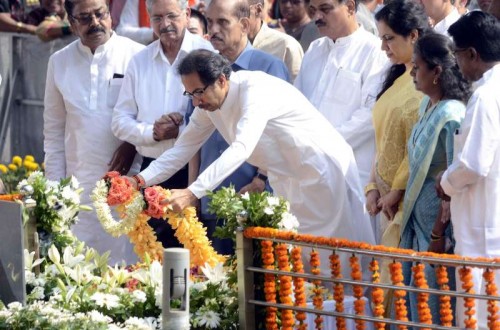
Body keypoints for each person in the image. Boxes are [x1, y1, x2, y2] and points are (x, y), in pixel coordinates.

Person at [130, 49, 375, 279]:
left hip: (322, 172)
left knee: (339, 261)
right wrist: (138, 181)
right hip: (287, 178)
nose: (195, 102)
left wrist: (194, 191)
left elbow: (241, 147)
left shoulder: (254, 89)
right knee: (301, 266)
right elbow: (183, 148)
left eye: (199, 92)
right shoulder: (208, 104)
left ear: (222, 81)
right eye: (189, 94)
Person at [44, 0, 145, 264]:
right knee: (79, 273)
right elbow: (54, 134)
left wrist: (132, 145)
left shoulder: (136, 56)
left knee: (126, 275)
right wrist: (56, 191)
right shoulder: (59, 62)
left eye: (100, 14)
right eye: (85, 18)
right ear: (71, 20)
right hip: (78, 191)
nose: (95, 23)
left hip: (127, 186)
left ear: (110, 13)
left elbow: (149, 117)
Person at [111, 0, 213, 248]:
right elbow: (119, 121)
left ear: (187, 14)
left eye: (171, 16)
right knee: (154, 258)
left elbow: (216, 114)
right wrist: (151, 133)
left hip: (194, 173)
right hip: (152, 170)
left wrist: (180, 129)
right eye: (157, 18)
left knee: (197, 258)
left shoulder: (206, 54)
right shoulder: (140, 61)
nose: (165, 24)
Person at [193, 0, 289, 254]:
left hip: (252, 197)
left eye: (222, 22)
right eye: (209, 22)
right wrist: (193, 193)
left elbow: (280, 134)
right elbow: (193, 138)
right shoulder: (202, 68)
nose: (213, 30)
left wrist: (261, 178)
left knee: (254, 284)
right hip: (211, 197)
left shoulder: (268, 67)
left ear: (244, 25)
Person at [400, 32, 471, 324]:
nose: (413, 73)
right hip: (418, 218)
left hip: (437, 224)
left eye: (418, 67)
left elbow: (453, 177)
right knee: (416, 298)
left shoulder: (452, 114)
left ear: (437, 71)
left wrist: (439, 232)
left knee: (436, 301)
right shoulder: (425, 106)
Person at [437, 12, 500, 329]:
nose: (456, 64)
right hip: (488, 230)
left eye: (456, 55)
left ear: (472, 54)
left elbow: (474, 165)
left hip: (482, 237)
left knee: (478, 319)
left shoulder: (487, 98)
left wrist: (445, 183)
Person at [294, 0, 388, 188]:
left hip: (351, 172)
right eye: (313, 10)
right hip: (309, 168)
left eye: (325, 9)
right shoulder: (314, 49)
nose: (317, 17)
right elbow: (296, 104)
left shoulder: (374, 51)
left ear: (350, 7)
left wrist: (321, 144)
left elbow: (369, 115)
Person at [247, 0, 303, 81]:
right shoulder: (224, 48)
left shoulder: (286, 46)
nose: (234, 18)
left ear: (258, 10)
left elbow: (298, 89)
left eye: (240, 11)